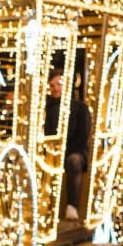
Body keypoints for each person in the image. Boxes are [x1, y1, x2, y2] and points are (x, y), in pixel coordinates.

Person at [45, 69, 91, 219]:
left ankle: (72, 205)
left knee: (74, 161)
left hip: (74, 150)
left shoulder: (80, 108)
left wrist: (63, 151)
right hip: (50, 151)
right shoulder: (45, 108)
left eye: (59, 84)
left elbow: (82, 138)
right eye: (52, 85)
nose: (56, 88)